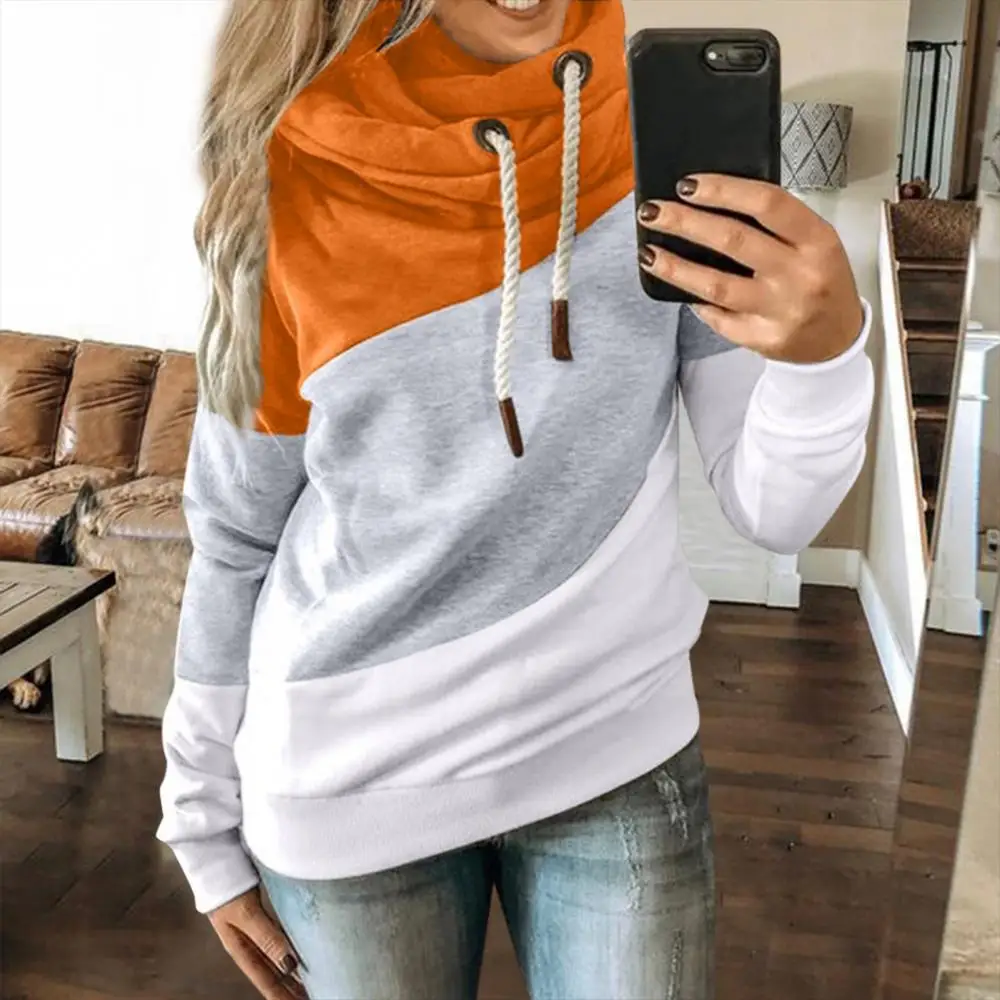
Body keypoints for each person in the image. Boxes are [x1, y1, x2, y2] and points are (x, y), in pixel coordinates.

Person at [157, 0, 874, 997]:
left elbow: (775, 512)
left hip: (615, 749)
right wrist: (200, 817)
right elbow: (237, 538)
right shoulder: (290, 178)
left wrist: (825, 358)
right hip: (345, 780)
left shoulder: (661, 155)